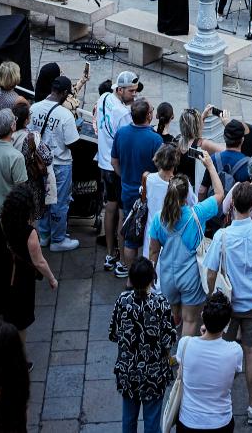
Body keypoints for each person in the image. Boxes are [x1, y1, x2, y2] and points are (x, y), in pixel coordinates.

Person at [205, 180, 252, 420]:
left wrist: (211, 297)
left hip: (228, 305)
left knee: (221, 350)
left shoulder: (222, 236)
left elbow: (211, 271)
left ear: (232, 204)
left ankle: (218, 397)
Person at [0, 184, 58, 370]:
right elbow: (39, 262)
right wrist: (52, 278)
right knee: (21, 323)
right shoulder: (29, 233)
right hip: (18, 284)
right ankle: (21, 362)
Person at [149, 167, 223, 333]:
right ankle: (182, 357)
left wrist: (151, 273)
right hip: (190, 278)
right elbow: (219, 194)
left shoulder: (159, 218)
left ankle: (171, 340)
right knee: (190, 321)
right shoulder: (198, 213)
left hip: (167, 277)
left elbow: (153, 251)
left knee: (174, 313)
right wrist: (210, 165)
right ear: (186, 194)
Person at [109, 256, 177, 433]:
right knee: (152, 421)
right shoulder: (161, 304)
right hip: (154, 373)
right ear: (152, 279)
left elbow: (114, 334)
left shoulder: (122, 301)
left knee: (128, 419)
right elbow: (168, 339)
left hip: (128, 370)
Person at [177, 291, 244, 433]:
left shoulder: (185, 344)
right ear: (227, 323)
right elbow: (233, 376)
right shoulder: (235, 351)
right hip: (220, 422)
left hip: (188, 421)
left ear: (202, 316)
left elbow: (183, 372)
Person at [29, 73, 82, 252]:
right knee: (59, 202)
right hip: (60, 165)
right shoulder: (65, 115)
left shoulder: (34, 108)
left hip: (38, 164)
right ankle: (58, 239)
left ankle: (44, 235)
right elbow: (72, 143)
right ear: (65, 93)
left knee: (43, 198)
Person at [112, 97, 163, 276]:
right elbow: (162, 169)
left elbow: (114, 161)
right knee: (150, 231)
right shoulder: (155, 140)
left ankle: (130, 273)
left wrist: (125, 176)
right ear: (148, 116)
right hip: (148, 194)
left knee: (131, 236)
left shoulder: (121, 133)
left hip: (127, 191)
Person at [96, 71, 139, 271]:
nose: (134, 95)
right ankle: (122, 258)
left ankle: (109, 253)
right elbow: (128, 141)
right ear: (120, 89)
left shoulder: (104, 97)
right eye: (131, 91)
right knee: (122, 211)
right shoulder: (124, 114)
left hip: (103, 163)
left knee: (109, 208)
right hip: (117, 167)